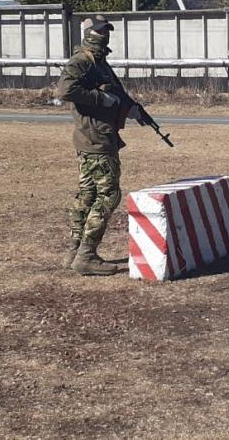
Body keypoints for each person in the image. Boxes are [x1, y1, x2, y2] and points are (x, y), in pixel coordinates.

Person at [55, 15, 141, 276]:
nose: (105, 34)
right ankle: (87, 255)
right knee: (109, 195)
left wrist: (130, 109)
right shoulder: (82, 61)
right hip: (96, 140)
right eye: (100, 30)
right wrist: (98, 99)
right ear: (88, 32)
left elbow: (116, 95)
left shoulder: (99, 62)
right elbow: (65, 91)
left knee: (88, 195)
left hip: (98, 137)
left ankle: (74, 251)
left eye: (107, 30)